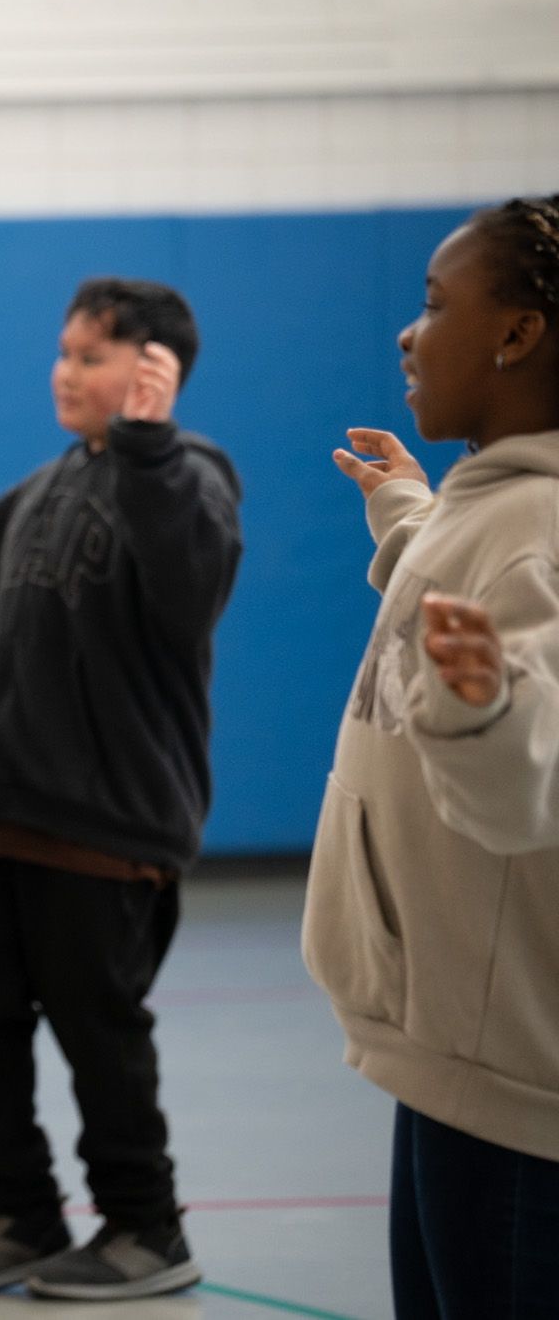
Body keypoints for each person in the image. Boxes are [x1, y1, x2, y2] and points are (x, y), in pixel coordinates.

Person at [0, 280, 240, 1299]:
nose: (64, 370)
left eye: (89, 355)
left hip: (102, 826)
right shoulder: (51, 485)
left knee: (98, 1032)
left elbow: (186, 580)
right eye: (63, 351)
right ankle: (21, 1212)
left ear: (150, 371)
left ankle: (144, 1226)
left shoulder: (188, 476)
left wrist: (151, 446)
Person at [309, 193, 559, 1318]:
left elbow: (523, 778)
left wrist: (480, 704)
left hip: (509, 1079)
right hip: (447, 1048)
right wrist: (401, 510)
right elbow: (448, 577)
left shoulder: (538, 534)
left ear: (515, 334)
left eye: (432, 303)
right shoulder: (484, 509)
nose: (407, 332)